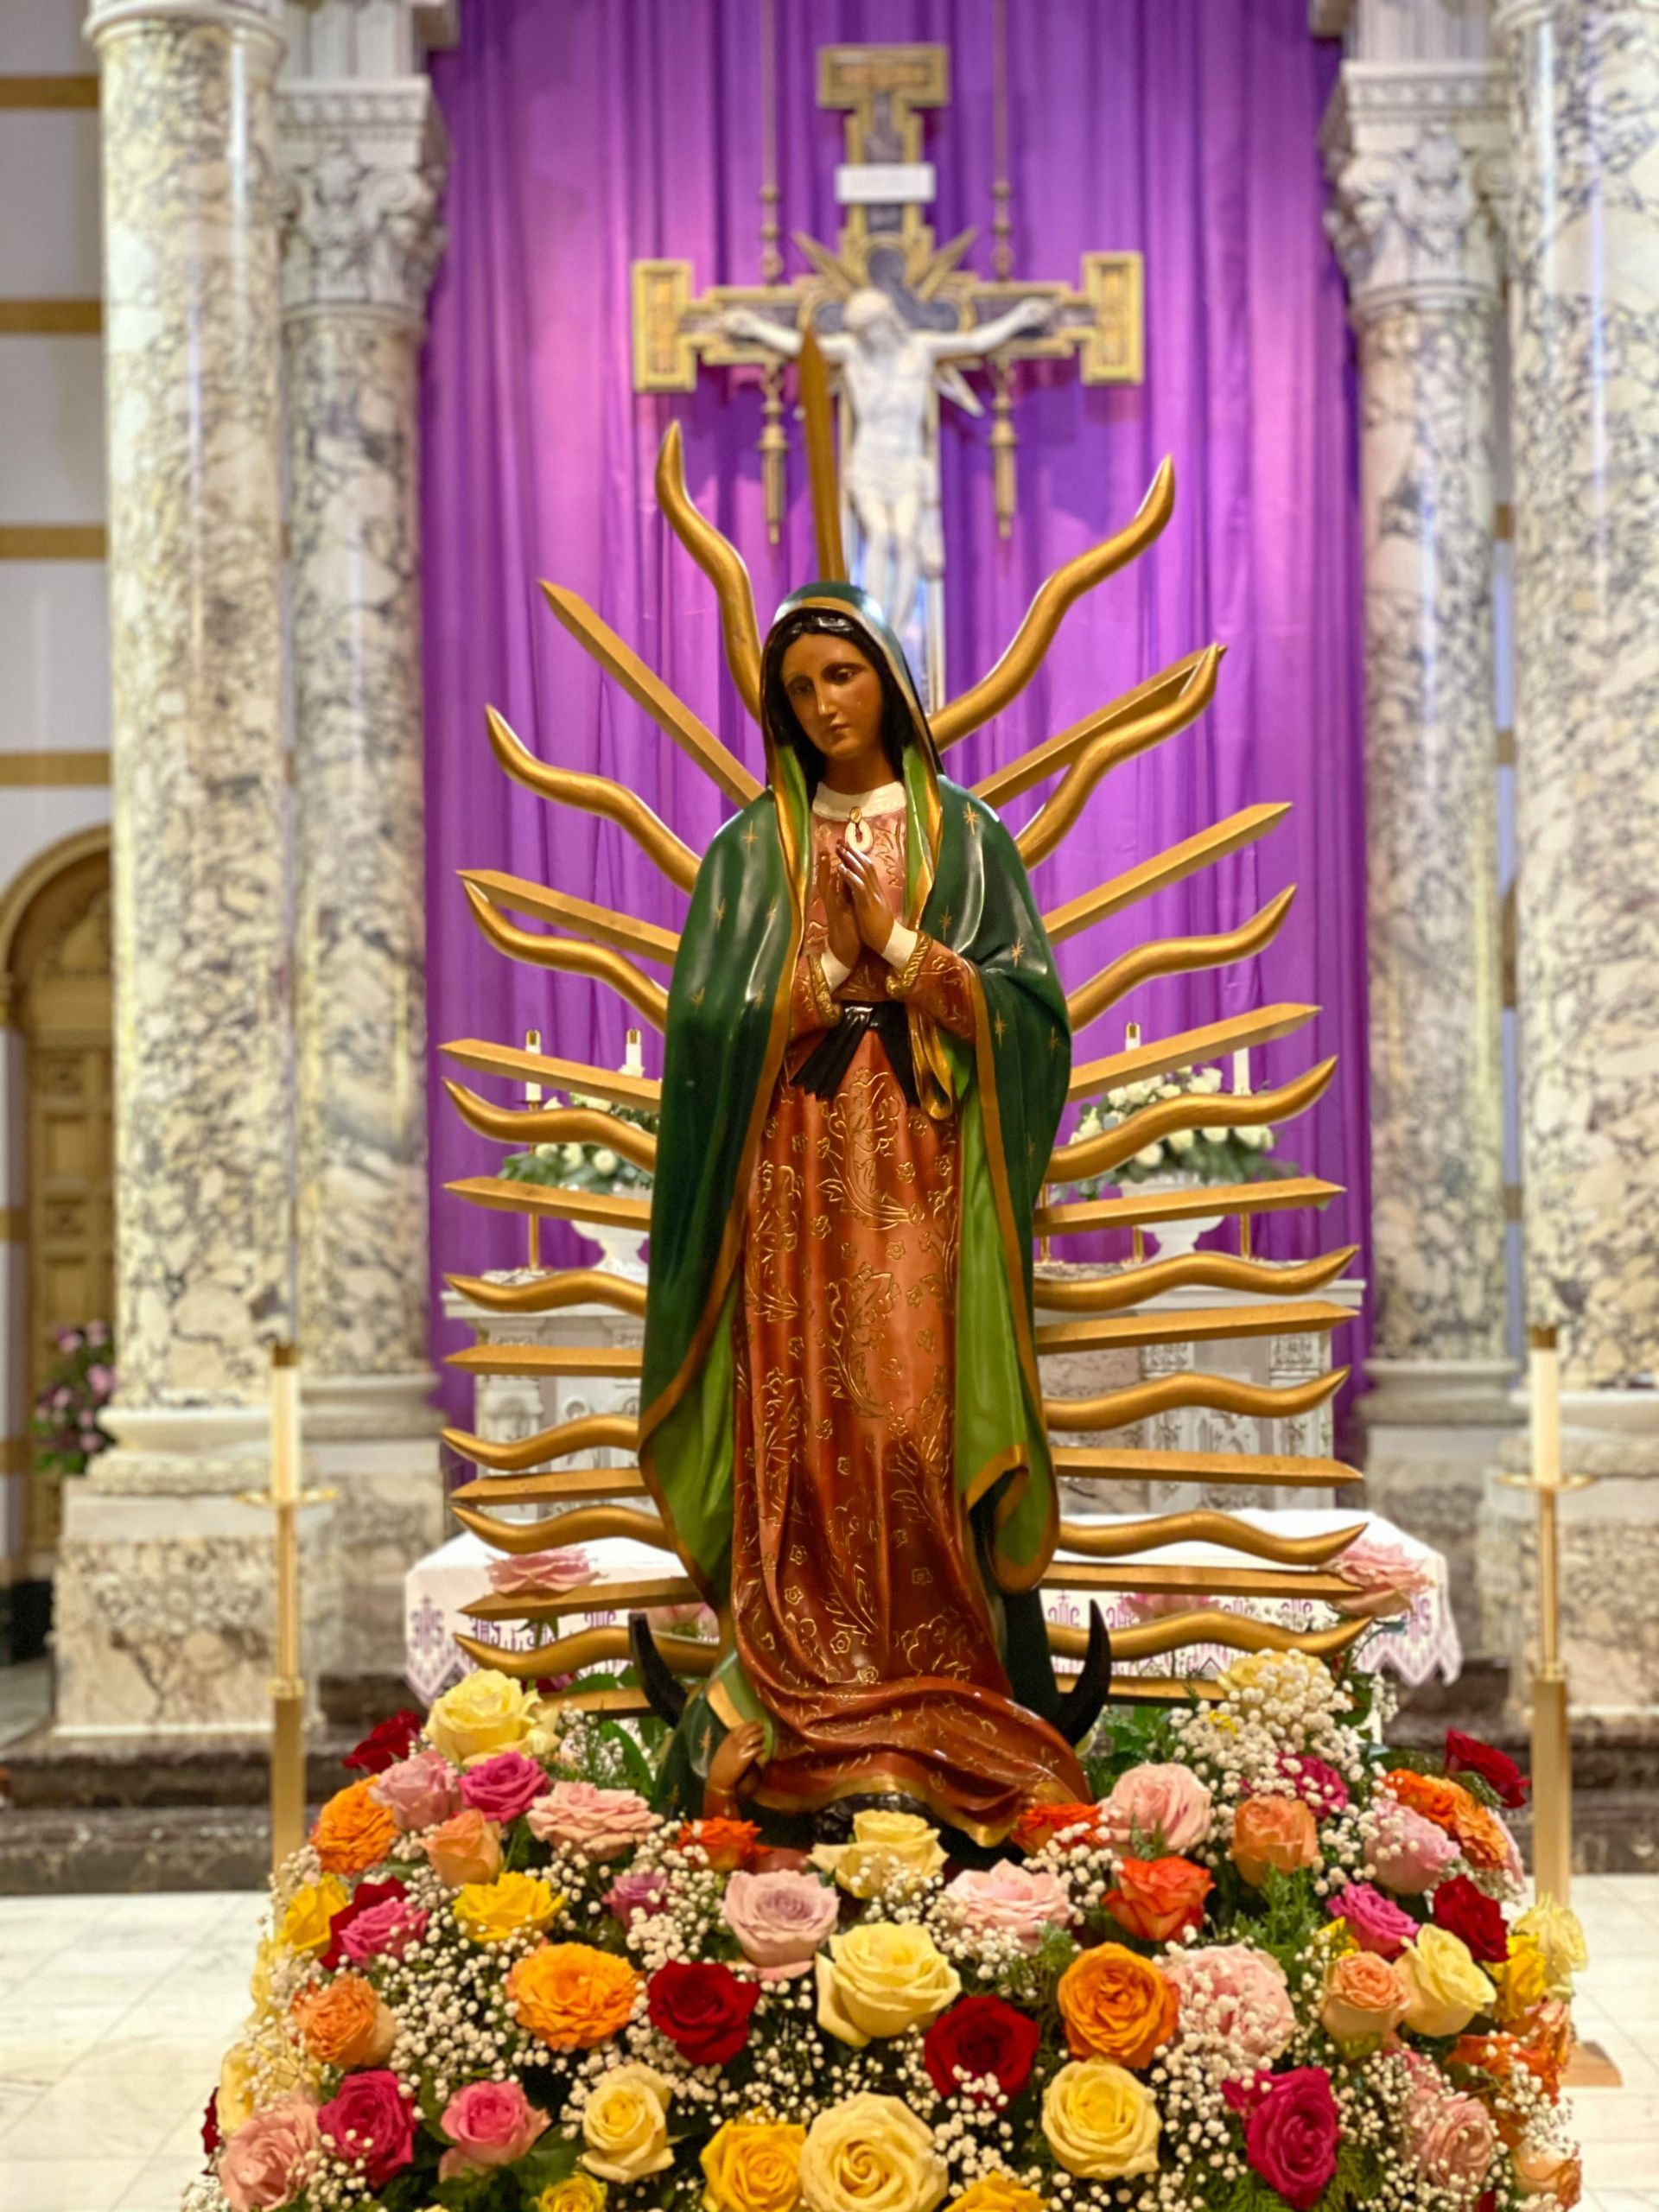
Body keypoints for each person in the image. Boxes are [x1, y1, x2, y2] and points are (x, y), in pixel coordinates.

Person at [638, 581, 1090, 1845]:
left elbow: (1031, 1019)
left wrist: (903, 953)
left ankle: (944, 1678)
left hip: (924, 1190)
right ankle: (809, 1686)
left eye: (840, 676)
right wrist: (812, 981)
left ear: (885, 678)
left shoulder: (970, 841)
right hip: (789, 1197)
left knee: (907, 1428)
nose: (823, 706)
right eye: (798, 690)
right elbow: (706, 1031)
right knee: (810, 1430)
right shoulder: (749, 851)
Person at [721, 289, 1052, 629]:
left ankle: (894, 627)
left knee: (906, 539)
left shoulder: (921, 349)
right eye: (865, 332)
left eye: (875, 328)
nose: (871, 338)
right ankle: (871, 622)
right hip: (869, 462)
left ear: (889, 321)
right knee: (879, 535)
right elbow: (799, 347)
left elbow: (975, 343)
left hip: (906, 463)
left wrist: (1020, 318)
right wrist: (754, 327)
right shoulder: (853, 353)